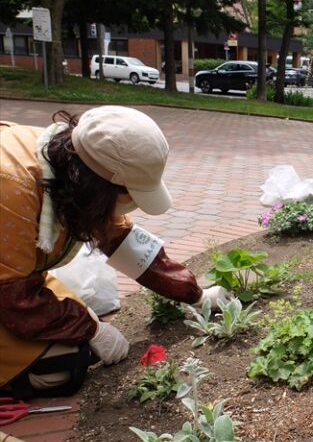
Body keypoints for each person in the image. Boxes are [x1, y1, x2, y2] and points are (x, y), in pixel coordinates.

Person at [0, 106, 229, 398]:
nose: (132, 204)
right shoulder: (11, 187)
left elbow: (122, 240)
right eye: (131, 194)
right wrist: (91, 330)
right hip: (9, 291)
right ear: (102, 188)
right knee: (63, 367)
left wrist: (196, 294)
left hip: (13, 278)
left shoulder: (74, 161)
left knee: (74, 336)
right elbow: (15, 300)